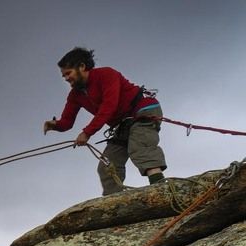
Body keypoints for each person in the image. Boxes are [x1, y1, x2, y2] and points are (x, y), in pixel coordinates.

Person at [43, 47, 166, 195]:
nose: (66, 78)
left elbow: (109, 106)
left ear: (82, 66)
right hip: (123, 124)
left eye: (68, 73)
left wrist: (87, 133)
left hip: (143, 110)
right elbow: (67, 122)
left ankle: (160, 188)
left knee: (140, 147)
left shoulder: (106, 74)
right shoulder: (75, 95)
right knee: (107, 166)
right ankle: (116, 202)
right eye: (64, 76)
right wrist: (55, 125)